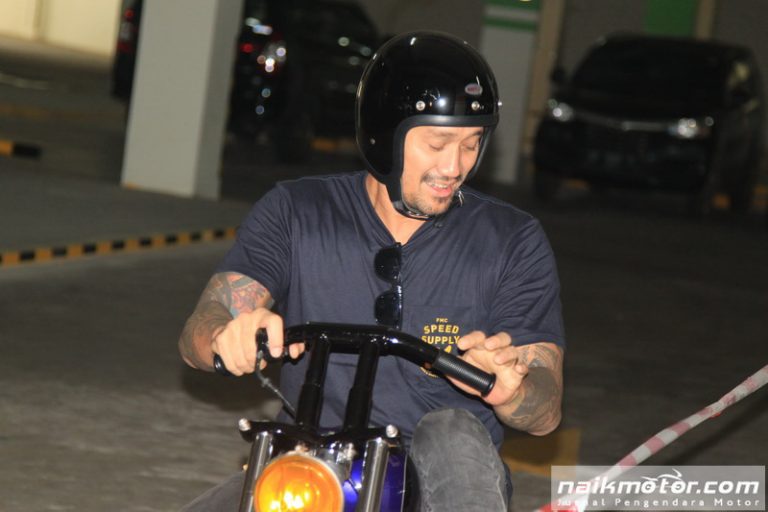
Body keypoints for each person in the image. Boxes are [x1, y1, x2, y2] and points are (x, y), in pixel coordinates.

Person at [178, 30, 564, 511]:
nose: (455, 166)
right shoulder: (296, 211)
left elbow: (546, 410)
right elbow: (200, 329)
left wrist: (512, 390)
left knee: (451, 429)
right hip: (311, 468)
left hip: (444, 479)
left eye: (472, 144)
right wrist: (227, 335)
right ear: (385, 135)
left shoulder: (512, 239)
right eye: (438, 143)